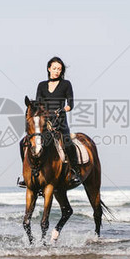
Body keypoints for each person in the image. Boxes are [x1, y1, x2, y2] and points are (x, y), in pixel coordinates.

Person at [18, 57, 82, 189]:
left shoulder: (66, 84)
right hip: (44, 123)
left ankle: (75, 172)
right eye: (54, 68)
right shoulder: (41, 85)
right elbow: (38, 105)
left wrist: (62, 109)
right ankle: (26, 174)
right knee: (23, 143)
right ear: (49, 69)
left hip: (60, 122)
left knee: (68, 143)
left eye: (59, 69)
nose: (57, 71)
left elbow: (71, 104)